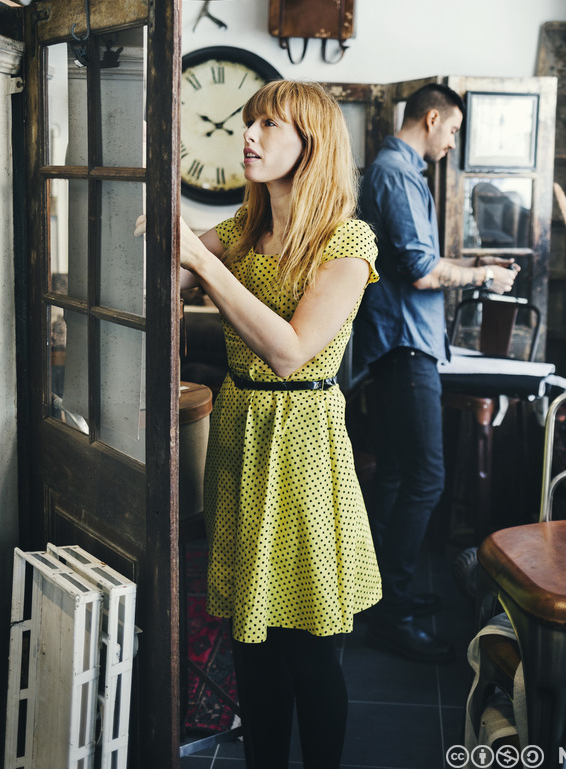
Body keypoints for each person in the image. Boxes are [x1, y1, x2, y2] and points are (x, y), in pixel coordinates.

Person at [150, 80, 382, 769]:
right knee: (249, 636)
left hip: (302, 435)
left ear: (310, 146)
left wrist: (199, 261)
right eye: (248, 123)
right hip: (241, 429)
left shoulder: (347, 239)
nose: (247, 136)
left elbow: (288, 352)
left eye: (268, 126)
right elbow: (172, 277)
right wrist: (165, 243)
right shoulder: (246, 228)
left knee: (307, 645)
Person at [354, 83, 519, 663]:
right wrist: (483, 278)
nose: (453, 143)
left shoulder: (395, 170)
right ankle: (392, 613)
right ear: (431, 119)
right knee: (425, 477)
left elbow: (417, 264)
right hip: (404, 345)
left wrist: (475, 268)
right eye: (453, 130)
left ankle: (382, 599)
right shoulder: (395, 174)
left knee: (400, 474)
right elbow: (422, 272)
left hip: (404, 344)